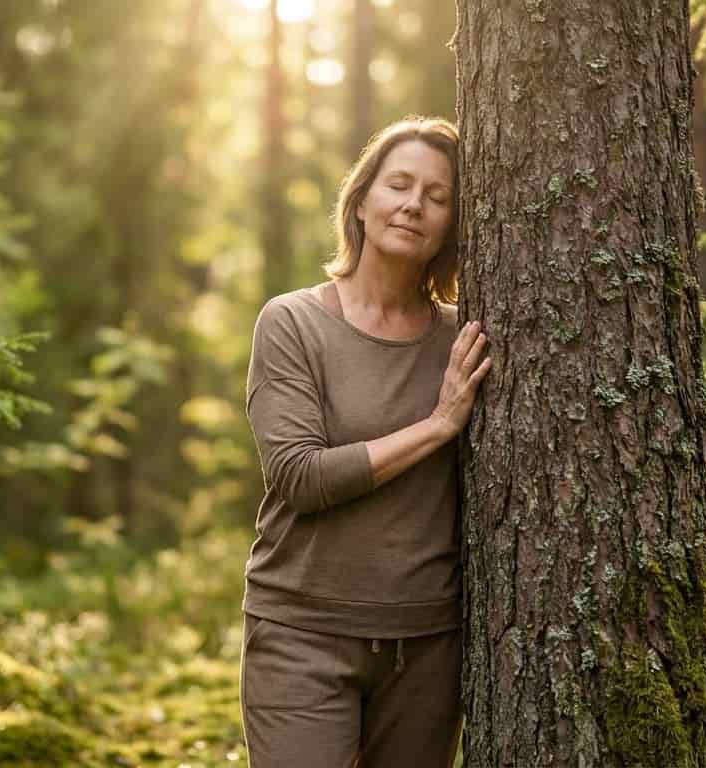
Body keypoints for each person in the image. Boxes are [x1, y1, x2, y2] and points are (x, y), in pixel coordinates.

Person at [239, 115, 492, 767]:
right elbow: (299, 476)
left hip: (428, 646)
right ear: (360, 200)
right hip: (302, 636)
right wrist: (438, 425)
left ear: (455, 224)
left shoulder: (464, 340)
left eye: (438, 197)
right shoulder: (293, 323)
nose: (414, 205)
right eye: (399, 184)